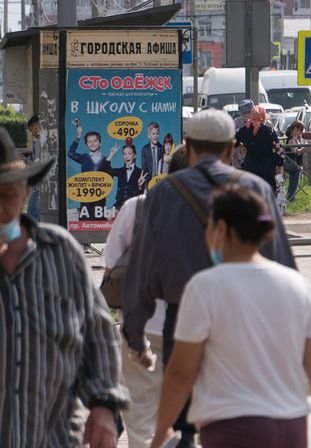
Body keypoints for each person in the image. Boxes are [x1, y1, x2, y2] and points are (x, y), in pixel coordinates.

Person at [123, 108, 296, 448]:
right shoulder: (256, 189)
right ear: (233, 149)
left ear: (187, 146)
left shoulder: (163, 193)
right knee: (237, 421)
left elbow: (141, 266)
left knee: (185, 424)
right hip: (246, 322)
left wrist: (135, 335)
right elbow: (280, 260)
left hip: (182, 320)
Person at [149, 184, 311, 448]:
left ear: (222, 229)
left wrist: (161, 430)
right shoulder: (297, 285)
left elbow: (181, 372)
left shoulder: (204, 287)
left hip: (232, 429)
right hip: (293, 427)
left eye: (210, 226)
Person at [0, 127, 129, 447]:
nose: (0, 209)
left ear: (27, 192)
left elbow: (98, 334)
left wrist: (102, 405)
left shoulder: (61, 253)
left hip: (54, 437)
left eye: (7, 196)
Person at [103, 148, 187, 448]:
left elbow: (111, 264)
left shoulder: (136, 206)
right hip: (192, 327)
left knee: (141, 416)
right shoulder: (213, 210)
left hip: (141, 326)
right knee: (185, 417)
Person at [234, 105, 286, 207]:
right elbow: (277, 148)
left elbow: (231, 140)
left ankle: (253, 215)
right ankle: (267, 216)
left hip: (250, 167)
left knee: (252, 194)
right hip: (267, 167)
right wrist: (280, 165)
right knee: (267, 193)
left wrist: (241, 147)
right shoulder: (269, 130)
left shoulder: (244, 129)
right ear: (264, 116)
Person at [113, 140, 148, 209]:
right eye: (124, 154)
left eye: (129, 154)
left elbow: (142, 194)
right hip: (120, 203)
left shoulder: (140, 172)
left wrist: (140, 186)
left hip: (133, 204)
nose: (126, 156)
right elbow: (105, 171)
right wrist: (111, 156)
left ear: (134, 155)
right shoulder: (120, 171)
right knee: (109, 216)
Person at [283, 121, 308, 205]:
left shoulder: (294, 138)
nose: (302, 132)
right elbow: (295, 152)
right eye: (301, 129)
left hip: (295, 164)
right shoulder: (292, 139)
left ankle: (291, 199)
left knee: (294, 184)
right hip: (294, 164)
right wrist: (304, 148)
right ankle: (290, 200)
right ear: (295, 129)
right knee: (293, 184)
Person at [24, 113, 43, 221]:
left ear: (36, 126)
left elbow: (36, 166)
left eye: (31, 131)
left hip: (38, 187)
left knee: (31, 218)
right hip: (41, 186)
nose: (32, 134)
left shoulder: (39, 142)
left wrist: (29, 161)